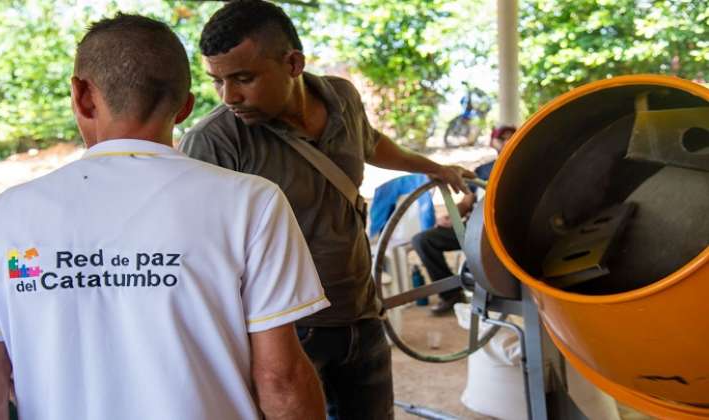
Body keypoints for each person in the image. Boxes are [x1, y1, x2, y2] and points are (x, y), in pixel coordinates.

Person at [0, 13, 329, 420]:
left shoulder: (9, 216)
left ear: (82, 96)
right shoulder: (251, 203)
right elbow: (281, 380)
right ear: (185, 107)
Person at [180, 1, 475, 418]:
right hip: (286, 336)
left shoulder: (342, 97)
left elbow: (369, 143)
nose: (230, 96)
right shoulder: (215, 142)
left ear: (293, 63)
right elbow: (194, 255)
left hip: (362, 315)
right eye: (218, 82)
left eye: (243, 78)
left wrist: (432, 167)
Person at [411, 125, 516, 314]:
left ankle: (500, 291)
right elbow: (467, 202)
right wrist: (451, 217)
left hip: (504, 231)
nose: (507, 141)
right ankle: (451, 294)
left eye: (512, 137)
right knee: (423, 240)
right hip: (473, 228)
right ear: (493, 143)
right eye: (502, 138)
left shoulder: (522, 168)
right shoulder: (482, 171)